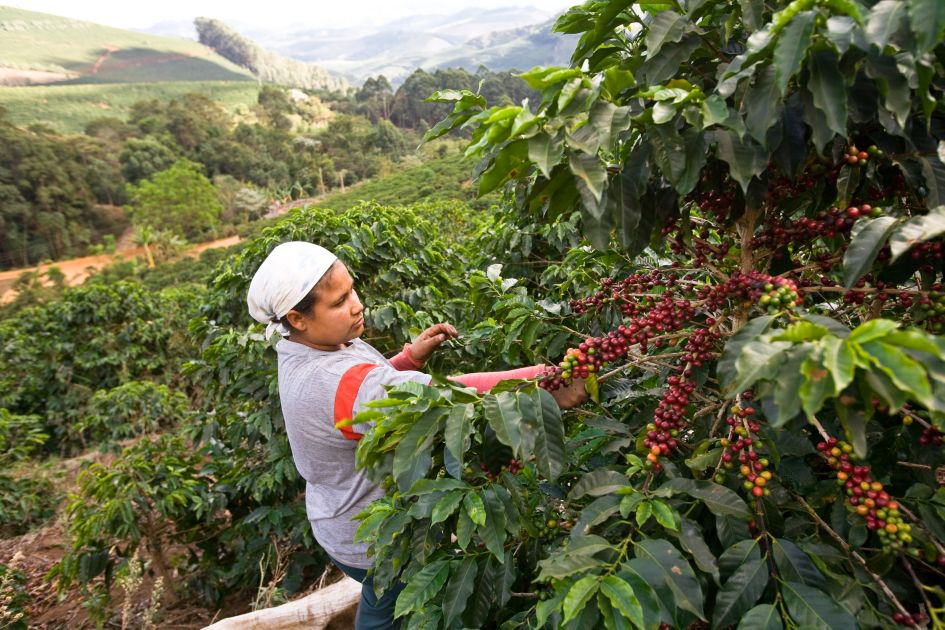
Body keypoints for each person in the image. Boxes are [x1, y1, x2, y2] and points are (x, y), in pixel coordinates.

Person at [246, 241, 586, 629]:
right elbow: (442, 395)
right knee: (385, 609)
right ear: (297, 317)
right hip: (372, 537)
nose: (356, 305)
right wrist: (541, 381)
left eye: (352, 290)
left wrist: (408, 359)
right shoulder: (328, 378)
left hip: (338, 515)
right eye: (339, 302)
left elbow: (359, 400)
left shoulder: (309, 346)